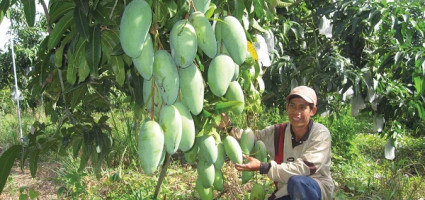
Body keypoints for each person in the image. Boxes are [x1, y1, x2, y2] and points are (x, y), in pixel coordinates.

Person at [234, 86, 334, 200]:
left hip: (315, 189)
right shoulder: (277, 132)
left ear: (312, 111)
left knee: (297, 182)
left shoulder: (320, 134)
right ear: (287, 107)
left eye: (302, 107)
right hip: (285, 191)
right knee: (294, 184)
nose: (297, 112)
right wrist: (227, 126)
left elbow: (304, 169)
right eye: (293, 106)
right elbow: (252, 137)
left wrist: (263, 167)